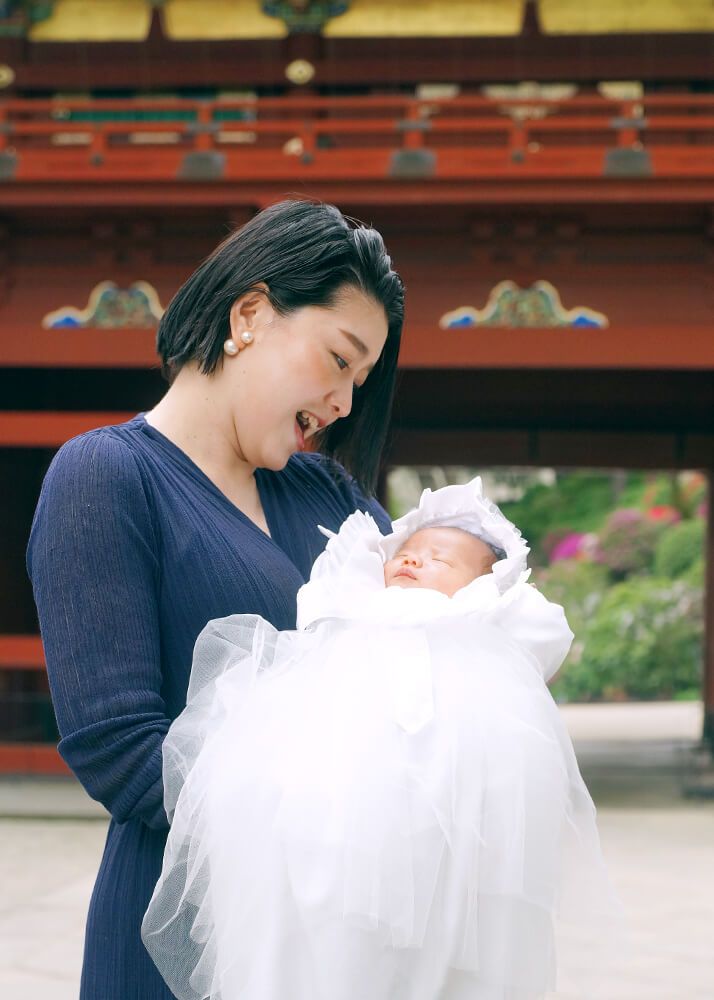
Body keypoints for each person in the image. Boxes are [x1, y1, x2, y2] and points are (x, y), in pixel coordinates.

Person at [26, 199, 404, 1000]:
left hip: (331, 938)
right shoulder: (105, 477)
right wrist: (327, 811)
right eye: (340, 360)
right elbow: (123, 754)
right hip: (182, 931)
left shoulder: (333, 497)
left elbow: (428, 638)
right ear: (251, 314)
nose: (343, 403)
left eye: (360, 381)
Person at [142, 477, 622, 1000]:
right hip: (341, 798)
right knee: (321, 923)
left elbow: (536, 646)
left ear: (482, 586)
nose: (414, 561)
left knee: (442, 932)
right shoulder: (353, 608)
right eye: (408, 552)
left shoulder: (479, 627)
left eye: (440, 560)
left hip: (447, 802)